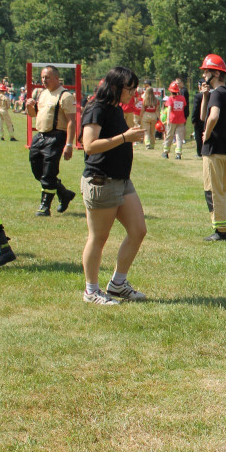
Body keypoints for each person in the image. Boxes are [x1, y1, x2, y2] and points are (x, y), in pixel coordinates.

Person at [79, 66, 149, 305]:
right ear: (117, 87)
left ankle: (118, 284)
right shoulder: (96, 108)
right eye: (130, 89)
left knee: (138, 230)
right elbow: (89, 145)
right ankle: (91, 290)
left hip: (121, 180)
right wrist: (124, 138)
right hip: (101, 180)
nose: (133, 94)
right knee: (98, 237)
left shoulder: (114, 108)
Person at [25, 66, 77, 217]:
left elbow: (71, 121)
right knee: (38, 171)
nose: (44, 80)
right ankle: (64, 193)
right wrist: (29, 107)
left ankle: (44, 206)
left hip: (55, 137)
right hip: (40, 136)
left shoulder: (65, 95)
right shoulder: (42, 94)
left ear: (56, 78)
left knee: (49, 172)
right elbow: (35, 114)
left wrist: (69, 144)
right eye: (42, 77)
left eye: (47, 77)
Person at [199, 53, 226, 241]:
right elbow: (203, 116)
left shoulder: (217, 94)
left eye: (206, 72)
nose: (204, 75)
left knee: (213, 189)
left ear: (215, 73)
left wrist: (206, 133)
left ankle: (220, 231)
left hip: (213, 149)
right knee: (223, 189)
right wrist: (205, 95)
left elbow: (211, 117)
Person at [162, 81, 187, 160]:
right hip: (181, 120)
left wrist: (168, 119)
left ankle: (166, 152)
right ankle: (178, 154)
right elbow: (184, 107)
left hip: (172, 120)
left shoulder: (170, 99)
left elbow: (169, 109)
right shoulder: (182, 98)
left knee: (169, 135)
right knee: (179, 137)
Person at [138, 82, 158, 150]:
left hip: (146, 115)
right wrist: (159, 117)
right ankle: (152, 145)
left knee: (146, 131)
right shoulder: (156, 100)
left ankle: (147, 144)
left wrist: (140, 117)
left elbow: (143, 109)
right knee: (152, 131)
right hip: (153, 115)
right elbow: (157, 110)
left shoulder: (145, 99)